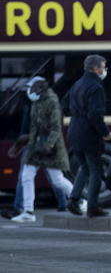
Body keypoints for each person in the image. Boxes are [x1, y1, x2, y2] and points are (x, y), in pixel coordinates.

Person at [11, 78, 74, 223]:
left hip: (49, 148)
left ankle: (78, 200)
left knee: (57, 180)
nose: (29, 92)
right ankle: (28, 211)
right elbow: (34, 128)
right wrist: (24, 143)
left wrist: (49, 145)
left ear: (40, 89)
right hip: (36, 147)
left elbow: (56, 128)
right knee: (26, 176)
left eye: (32, 89)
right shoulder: (36, 102)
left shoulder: (52, 102)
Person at [65, 54, 111, 218]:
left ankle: (73, 199)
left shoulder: (77, 84)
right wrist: (105, 133)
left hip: (74, 132)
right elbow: (95, 116)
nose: (105, 70)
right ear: (96, 69)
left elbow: (64, 104)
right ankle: (92, 206)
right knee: (95, 170)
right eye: (103, 66)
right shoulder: (96, 87)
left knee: (84, 167)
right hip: (88, 134)